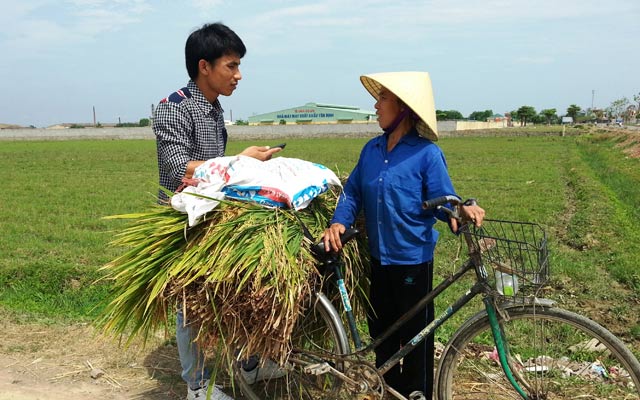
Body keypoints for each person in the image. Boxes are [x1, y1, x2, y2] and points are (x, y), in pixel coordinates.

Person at [322, 71, 485, 399]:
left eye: (383, 98)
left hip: (413, 262)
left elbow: (444, 200)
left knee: (415, 340)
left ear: (404, 108)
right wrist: (339, 221)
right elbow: (352, 192)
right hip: (378, 260)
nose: (376, 104)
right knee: (382, 335)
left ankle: (416, 394)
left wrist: (462, 209)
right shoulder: (371, 151)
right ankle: (387, 392)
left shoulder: (426, 154)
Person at [153, 22, 282, 400]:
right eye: (231, 65)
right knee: (189, 301)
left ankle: (251, 364)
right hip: (183, 219)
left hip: (214, 212)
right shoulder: (172, 108)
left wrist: (245, 167)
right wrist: (237, 161)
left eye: (239, 65)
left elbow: (214, 166)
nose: (238, 75)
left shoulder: (214, 108)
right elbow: (179, 168)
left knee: (235, 290)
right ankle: (196, 386)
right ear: (204, 66)